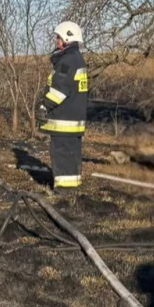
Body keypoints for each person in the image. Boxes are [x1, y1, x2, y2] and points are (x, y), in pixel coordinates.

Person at [39, 21, 88, 193]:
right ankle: (71, 191)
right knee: (71, 156)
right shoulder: (77, 59)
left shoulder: (67, 61)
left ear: (67, 38)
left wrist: (44, 106)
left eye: (58, 37)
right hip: (74, 118)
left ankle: (63, 193)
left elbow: (59, 90)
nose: (56, 41)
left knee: (61, 154)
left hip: (64, 119)